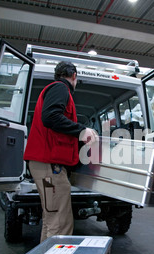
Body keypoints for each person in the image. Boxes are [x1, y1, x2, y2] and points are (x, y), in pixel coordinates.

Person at [23, 61, 98, 243]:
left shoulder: (54, 88)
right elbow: (50, 117)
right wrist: (82, 131)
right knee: (60, 221)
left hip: (46, 165)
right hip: (49, 167)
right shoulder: (60, 89)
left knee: (51, 218)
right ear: (74, 76)